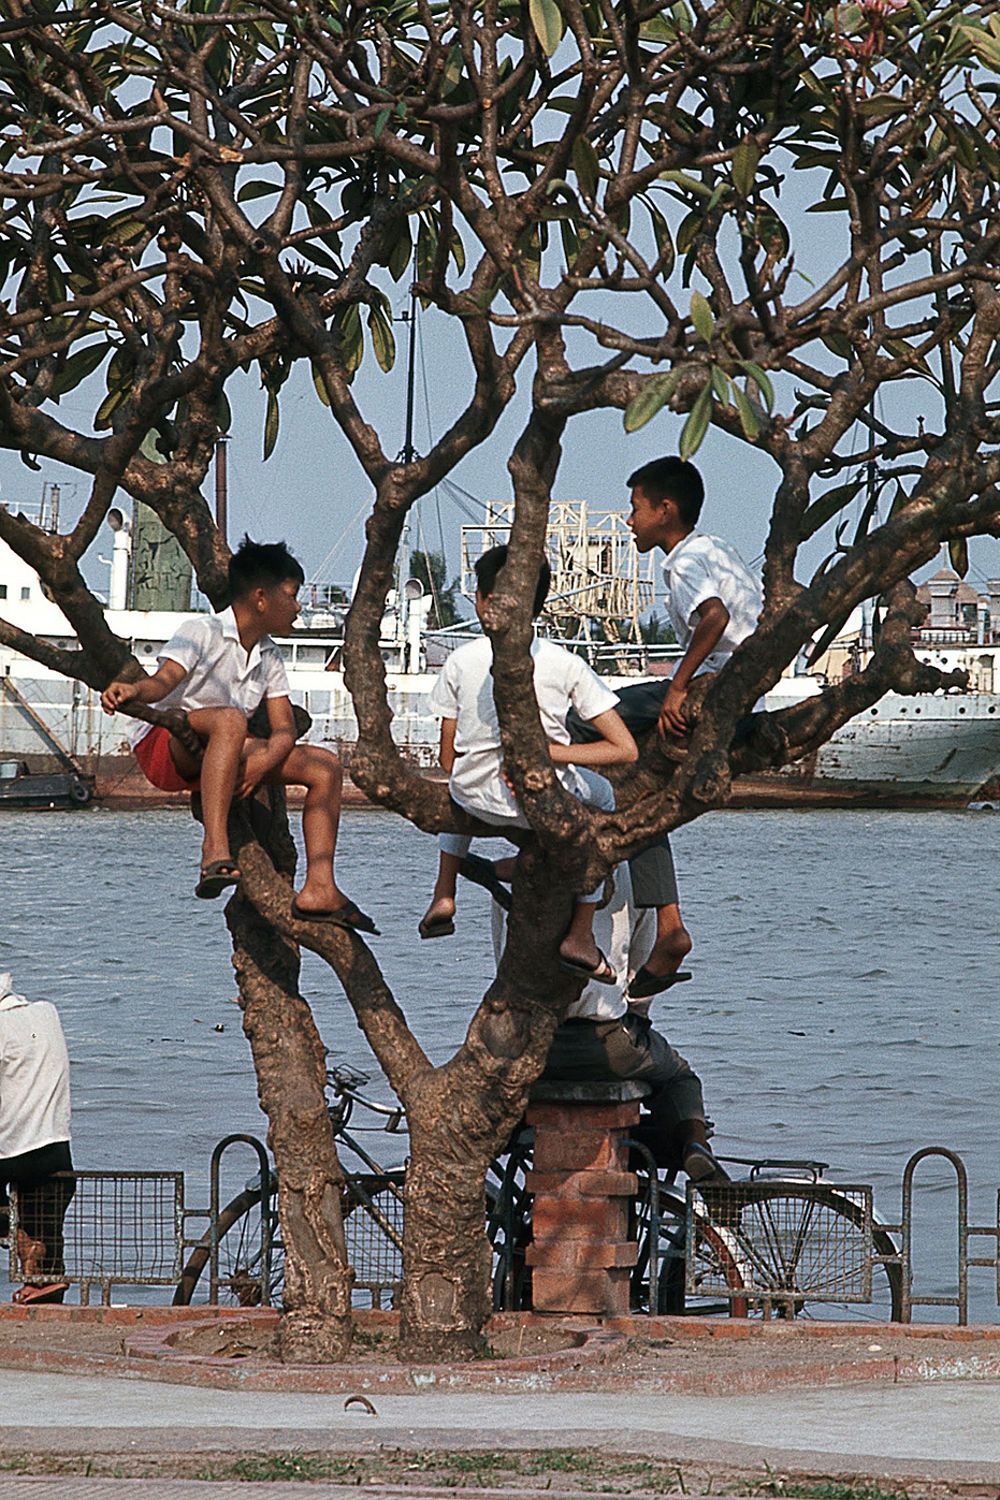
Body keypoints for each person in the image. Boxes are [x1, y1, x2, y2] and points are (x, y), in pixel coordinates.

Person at [101, 537, 376, 932]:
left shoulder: (269, 656)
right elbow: (163, 682)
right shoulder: (201, 631)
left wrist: (263, 760)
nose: (298, 607)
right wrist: (131, 692)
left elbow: (284, 727)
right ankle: (215, 849)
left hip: (223, 750)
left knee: (325, 767)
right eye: (292, 595)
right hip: (167, 748)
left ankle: (320, 886)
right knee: (231, 720)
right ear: (261, 597)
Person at [573, 456, 764, 1003]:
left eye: (635, 509)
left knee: (582, 718)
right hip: (744, 695)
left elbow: (715, 620)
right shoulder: (719, 549)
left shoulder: (682, 563)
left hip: (712, 687)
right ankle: (670, 925)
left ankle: (589, 830)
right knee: (641, 797)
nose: (629, 520)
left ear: (665, 509)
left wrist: (678, 688)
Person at [419, 545, 638, 983]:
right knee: (603, 796)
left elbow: (448, 757)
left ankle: (444, 892)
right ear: (539, 602)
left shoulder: (460, 660)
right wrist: (555, 754)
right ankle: (579, 933)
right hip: (542, 801)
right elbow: (625, 750)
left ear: (481, 600)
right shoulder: (565, 663)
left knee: (457, 785)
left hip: (474, 798)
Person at [0, 973, 75, 1304]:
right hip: (58, 1152)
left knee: (25, 1226)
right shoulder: (47, 1011)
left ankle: (17, 1238)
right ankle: (38, 1271)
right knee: (49, 1272)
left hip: (15, 1155)